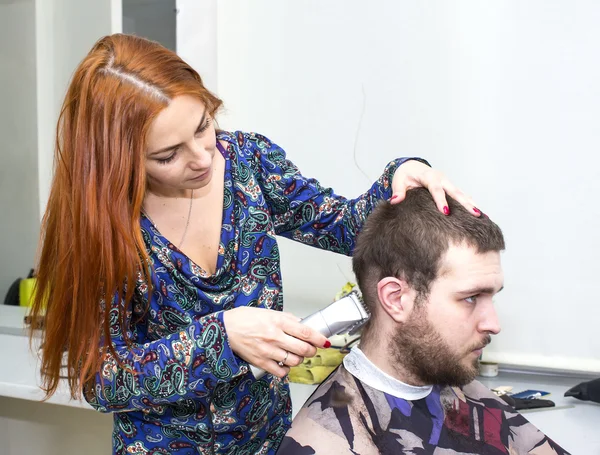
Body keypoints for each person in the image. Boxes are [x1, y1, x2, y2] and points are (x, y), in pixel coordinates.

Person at [30, 34, 481, 455]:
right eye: (168, 155)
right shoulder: (105, 229)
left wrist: (400, 176)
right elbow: (103, 381)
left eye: (204, 127)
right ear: (118, 161)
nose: (204, 157)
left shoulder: (248, 163)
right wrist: (221, 338)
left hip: (268, 440)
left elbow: (346, 226)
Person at [279, 189, 570, 455]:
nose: (493, 324)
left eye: (491, 297)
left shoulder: (451, 380)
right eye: (470, 298)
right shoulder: (330, 438)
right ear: (396, 299)